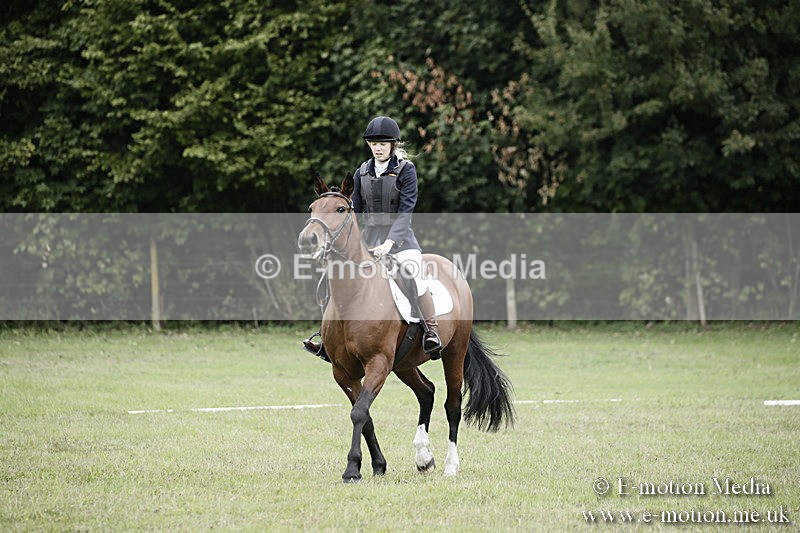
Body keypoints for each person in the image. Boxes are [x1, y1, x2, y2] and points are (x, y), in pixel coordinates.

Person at [303, 116, 442, 360]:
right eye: (373, 143)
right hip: (368, 238)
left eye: (383, 143)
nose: (378, 147)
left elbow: (406, 211)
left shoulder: (405, 170)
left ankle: (431, 331)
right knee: (330, 277)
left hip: (401, 240)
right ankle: (328, 338)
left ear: (393, 145)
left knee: (415, 274)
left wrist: (389, 244)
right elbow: (352, 210)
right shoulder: (361, 172)